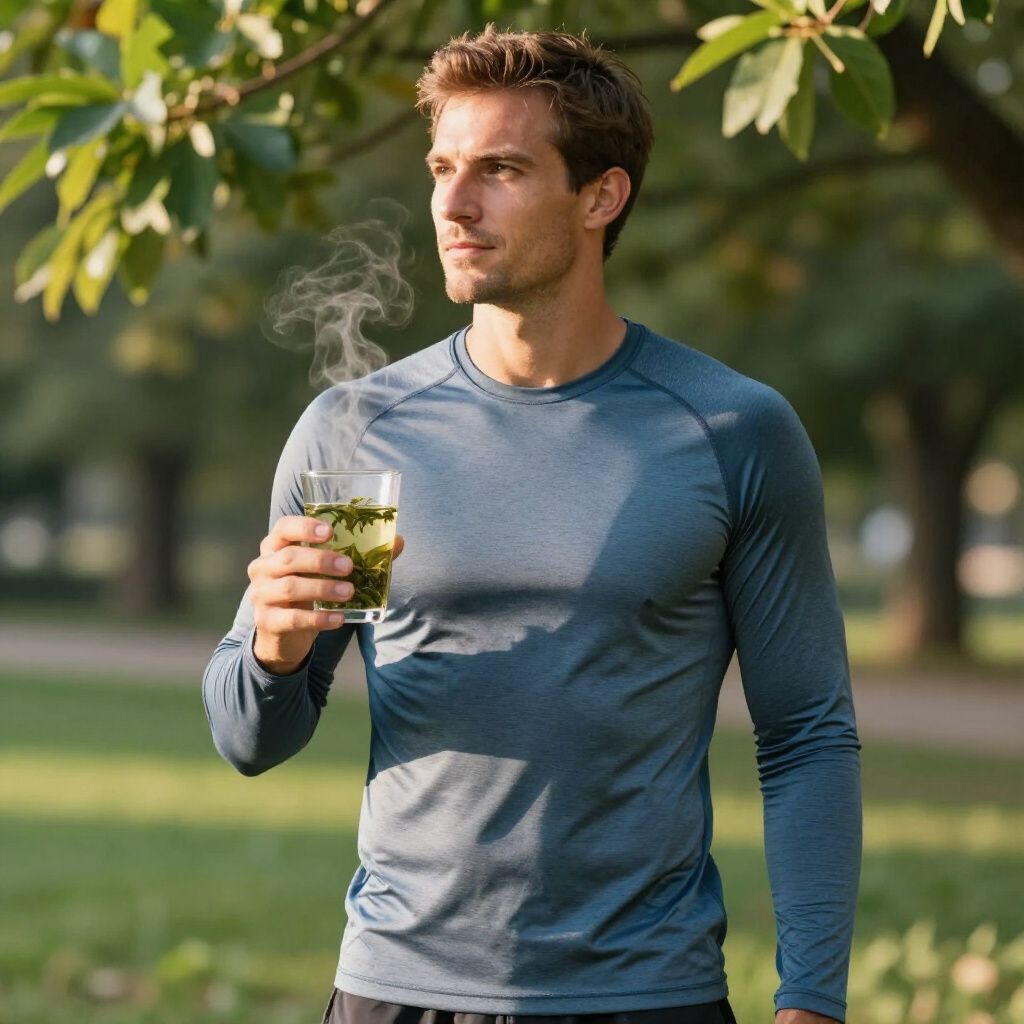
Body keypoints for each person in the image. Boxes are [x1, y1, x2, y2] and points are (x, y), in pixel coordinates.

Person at [201, 24, 862, 1024]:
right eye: (442, 168)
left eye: (501, 170)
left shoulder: (731, 430)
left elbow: (806, 733)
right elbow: (249, 738)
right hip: (392, 988)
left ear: (601, 196)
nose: (454, 205)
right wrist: (278, 648)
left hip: (644, 993)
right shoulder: (356, 429)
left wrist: (811, 1000)